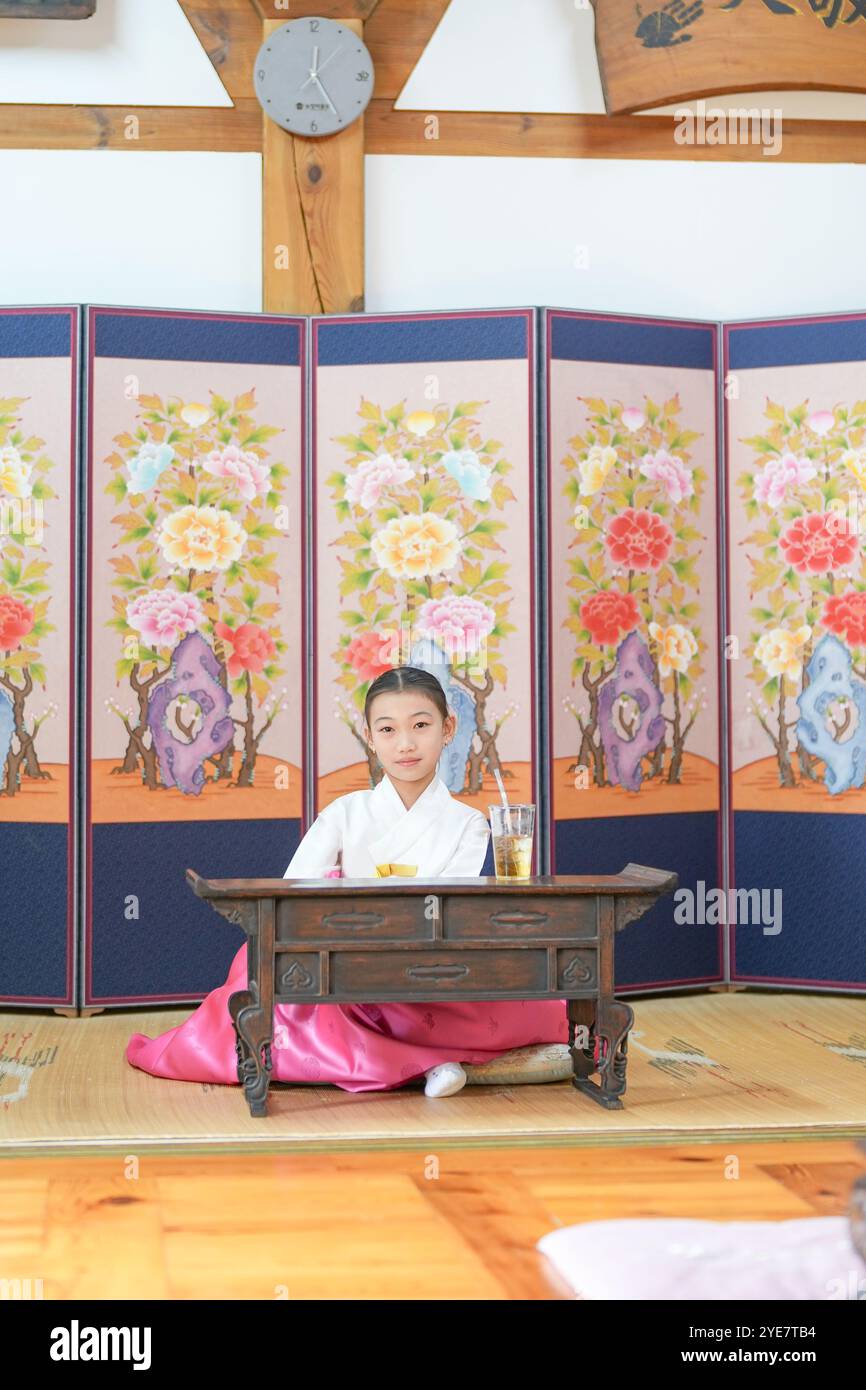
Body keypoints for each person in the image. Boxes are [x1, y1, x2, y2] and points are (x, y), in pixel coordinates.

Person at [126, 665, 570, 1097]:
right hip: (346, 956)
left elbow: (449, 909)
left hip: (427, 961)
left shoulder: (469, 823)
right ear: (370, 737)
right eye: (388, 730)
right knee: (260, 962)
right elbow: (294, 891)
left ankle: (412, 1057)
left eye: (420, 725)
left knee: (481, 988)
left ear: (447, 728)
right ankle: (428, 1060)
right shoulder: (345, 812)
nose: (406, 743)